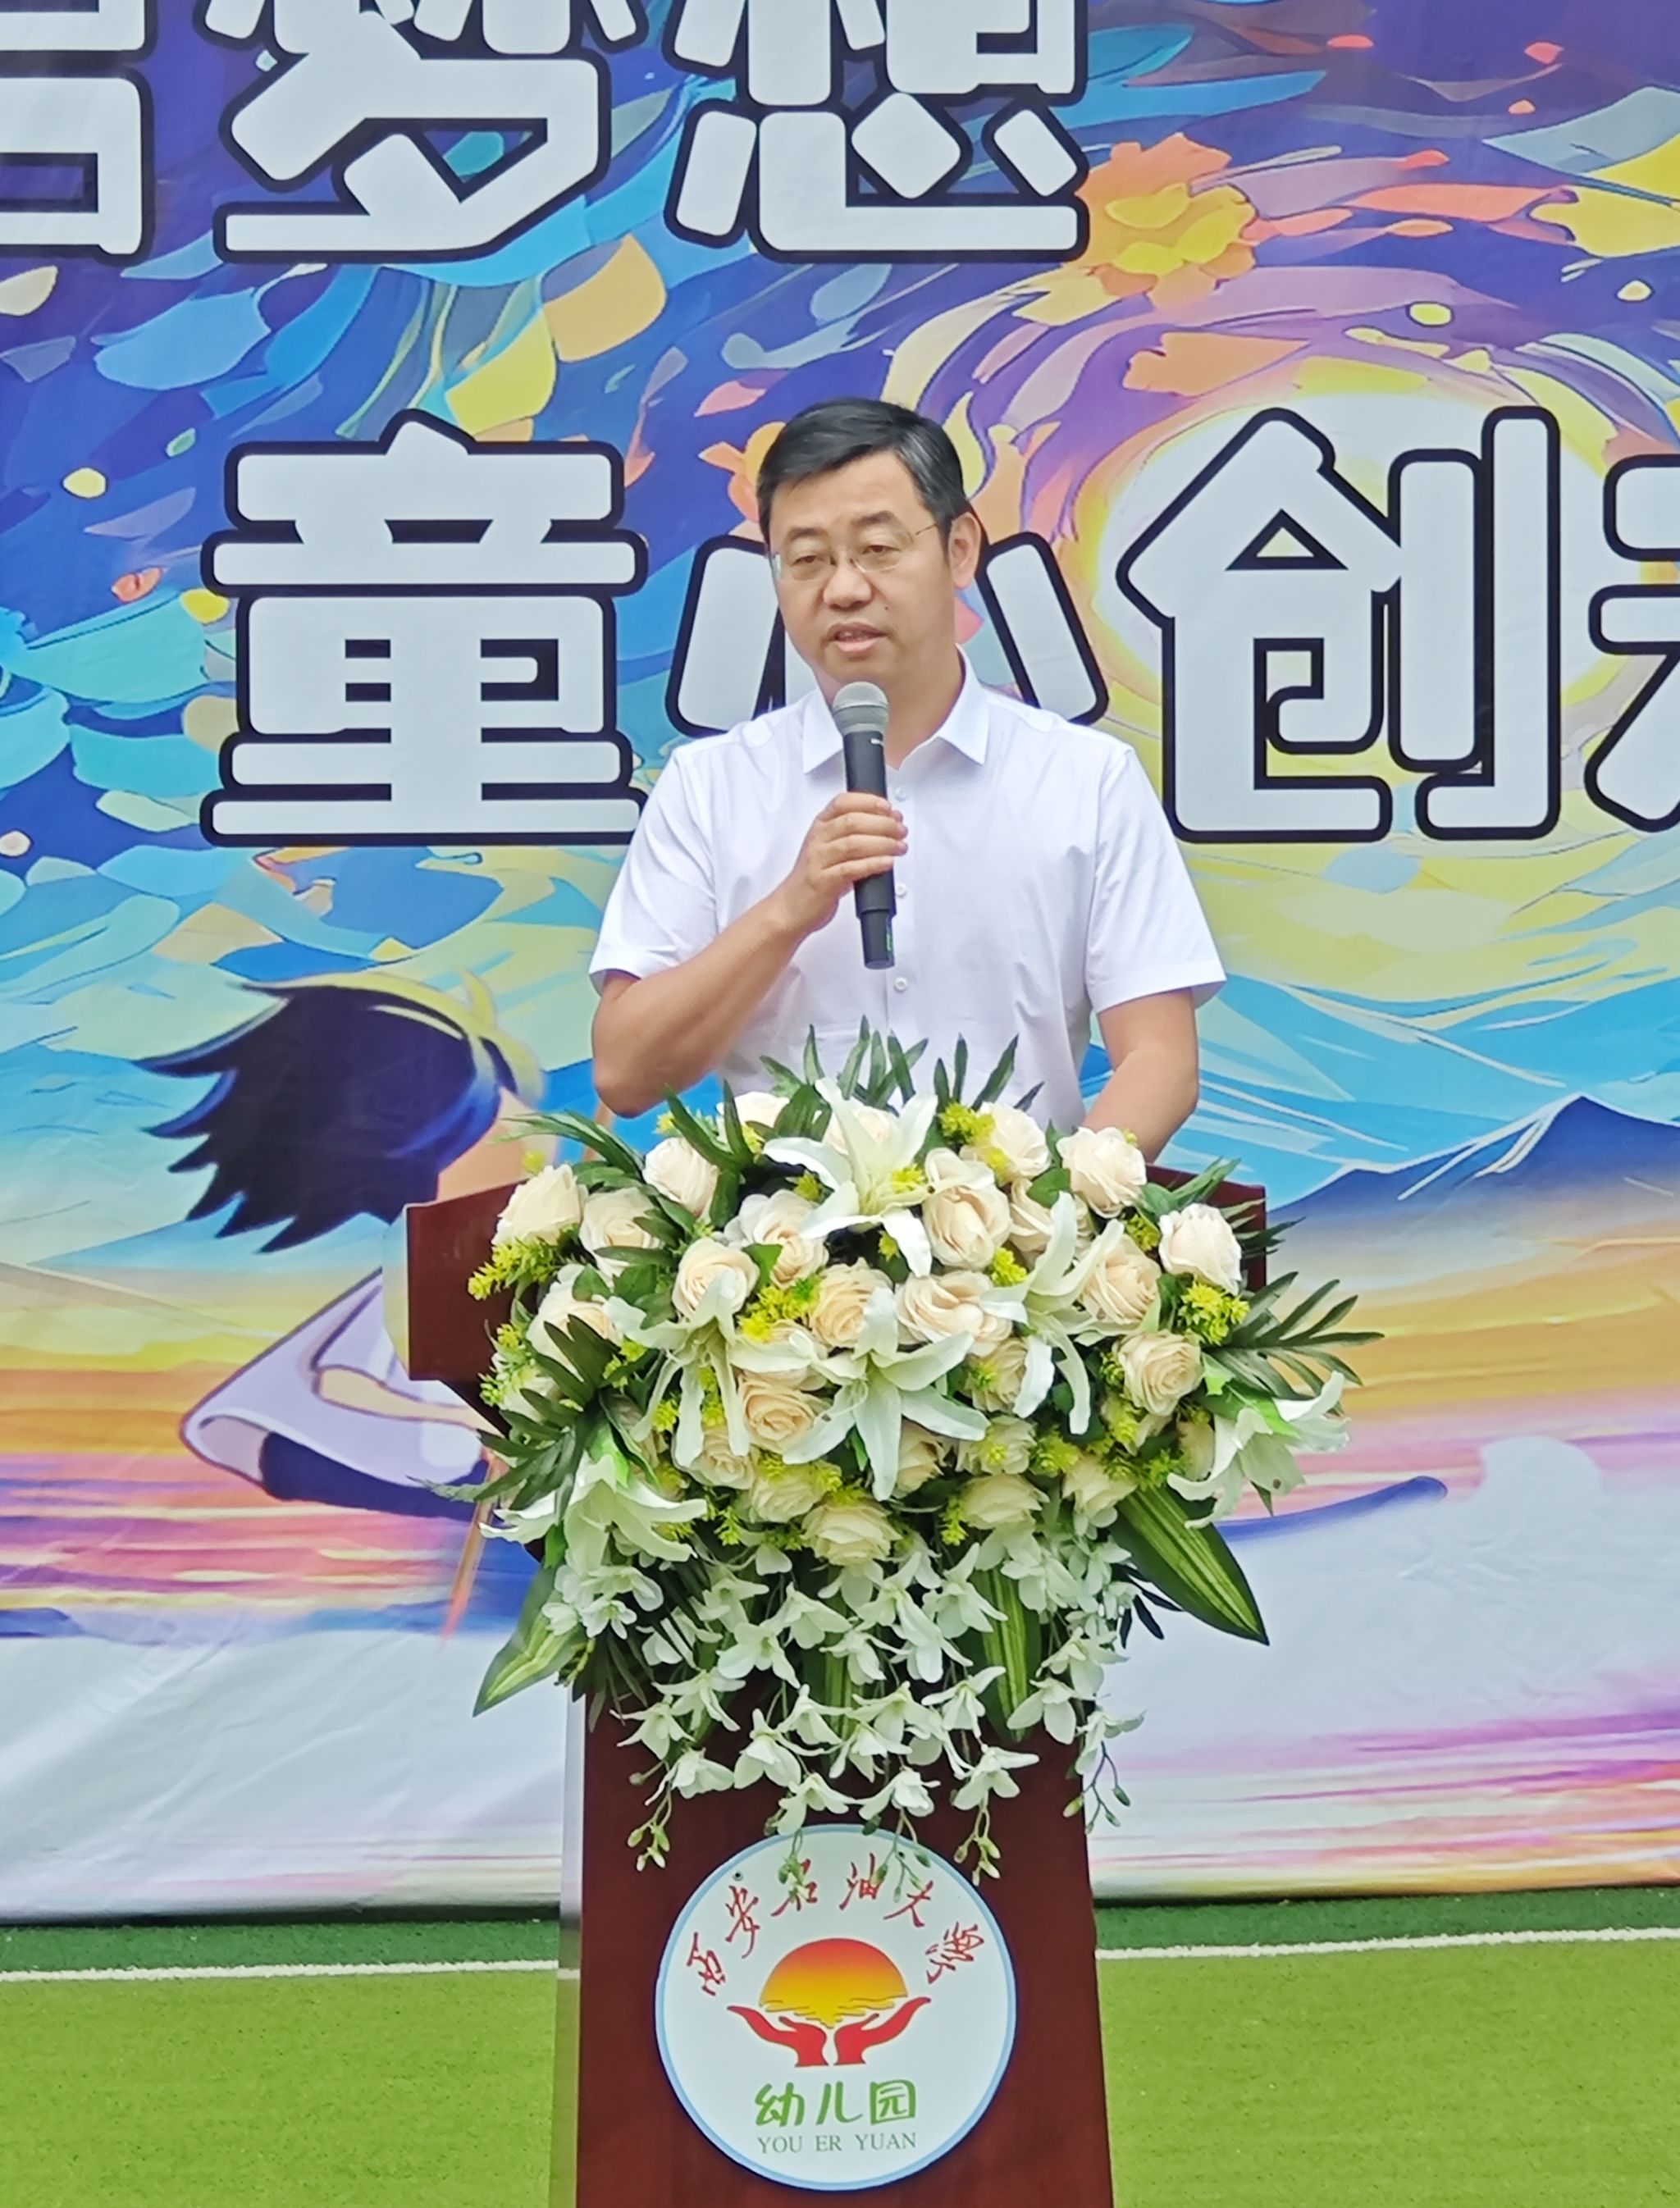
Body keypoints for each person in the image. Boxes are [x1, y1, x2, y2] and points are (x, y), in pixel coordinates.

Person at [591, 397, 1223, 1149]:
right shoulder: (709, 788)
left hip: (1017, 1221)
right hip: (778, 1223)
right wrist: (789, 909)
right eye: (807, 559)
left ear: (960, 549)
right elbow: (625, 1072)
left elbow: (1160, 1061)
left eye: (878, 549)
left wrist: (1054, 1207)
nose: (844, 589)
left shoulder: (1086, 781)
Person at [147, 975, 542, 1524]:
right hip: (393, 1456)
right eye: (508, 1140)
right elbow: (341, 1381)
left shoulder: (501, 1267)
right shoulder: (417, 1283)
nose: (534, 1157)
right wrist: (471, 1424)